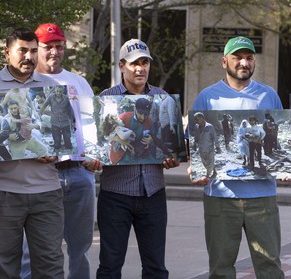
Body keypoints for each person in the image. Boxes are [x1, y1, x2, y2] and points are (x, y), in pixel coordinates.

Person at [189, 36, 285, 279]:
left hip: (262, 197)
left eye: (249, 58)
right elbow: (194, 141)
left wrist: (288, 165)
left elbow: (280, 139)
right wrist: (196, 167)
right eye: (237, 57)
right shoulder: (207, 97)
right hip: (221, 198)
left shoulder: (269, 95)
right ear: (224, 62)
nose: (244, 62)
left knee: (270, 267)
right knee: (220, 269)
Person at [20, 23, 102, 279]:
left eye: (59, 46)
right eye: (47, 47)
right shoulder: (23, 84)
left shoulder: (78, 82)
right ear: (36, 50)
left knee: (81, 248)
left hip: (78, 174)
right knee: (31, 250)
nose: (54, 52)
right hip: (40, 175)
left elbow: (91, 125)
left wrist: (95, 155)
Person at [96, 38, 180, 279]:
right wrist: (96, 156)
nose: (140, 68)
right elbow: (101, 144)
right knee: (110, 266)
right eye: (134, 63)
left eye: (145, 62)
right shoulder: (107, 99)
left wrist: (171, 157)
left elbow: (166, 145)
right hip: (115, 194)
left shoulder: (162, 98)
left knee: (156, 267)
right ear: (121, 66)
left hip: (152, 192)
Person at [0, 27, 65, 279]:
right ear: (7, 53)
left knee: (50, 265)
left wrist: (58, 154)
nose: (29, 56)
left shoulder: (52, 88)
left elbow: (66, 139)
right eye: (22, 51)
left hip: (47, 193)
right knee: (4, 266)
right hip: (5, 193)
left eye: (33, 51)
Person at [39, 85, 75, 152]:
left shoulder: (66, 98)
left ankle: (70, 153)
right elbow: (44, 105)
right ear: (55, 90)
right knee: (56, 140)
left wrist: (73, 120)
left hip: (65, 122)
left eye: (60, 92)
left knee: (67, 139)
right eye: (57, 91)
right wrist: (39, 113)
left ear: (63, 92)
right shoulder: (51, 97)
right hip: (54, 122)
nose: (58, 93)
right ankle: (57, 152)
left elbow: (71, 110)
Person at [192, 111, 221, 178]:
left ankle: (208, 175)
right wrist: (194, 144)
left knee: (210, 161)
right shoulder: (196, 126)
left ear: (202, 118)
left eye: (197, 119)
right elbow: (196, 136)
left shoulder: (210, 127)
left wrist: (217, 147)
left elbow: (215, 137)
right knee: (204, 162)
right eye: (195, 119)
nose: (196, 121)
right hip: (201, 147)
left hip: (209, 147)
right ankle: (214, 171)